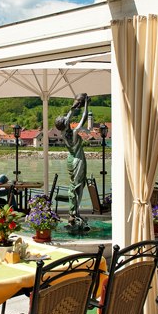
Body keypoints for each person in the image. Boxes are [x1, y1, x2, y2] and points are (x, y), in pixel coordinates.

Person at [55, 93, 89, 227]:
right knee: (78, 187)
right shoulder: (73, 133)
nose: (67, 118)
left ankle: (74, 212)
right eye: (65, 119)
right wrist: (86, 103)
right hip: (77, 160)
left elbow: (68, 116)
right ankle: (74, 213)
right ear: (65, 123)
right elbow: (84, 117)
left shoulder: (63, 132)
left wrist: (74, 105)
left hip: (71, 158)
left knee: (73, 185)